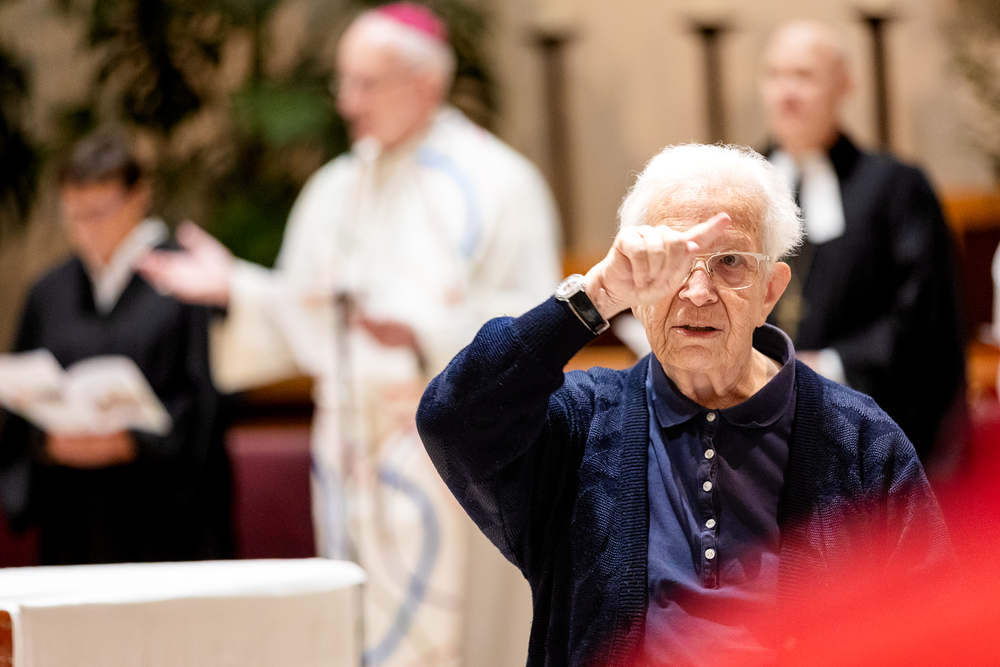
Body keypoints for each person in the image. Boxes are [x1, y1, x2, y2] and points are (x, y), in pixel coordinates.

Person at [416, 143, 952, 667]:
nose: (698, 291)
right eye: (672, 263)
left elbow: (936, 634)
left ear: (770, 291)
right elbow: (451, 419)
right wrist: (595, 297)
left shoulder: (860, 443)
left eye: (730, 262)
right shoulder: (582, 425)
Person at [139, 4, 560, 666]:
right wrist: (238, 290)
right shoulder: (336, 188)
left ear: (426, 84)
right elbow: (303, 316)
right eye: (344, 82)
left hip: (446, 457)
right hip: (351, 457)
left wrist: (422, 333)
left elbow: (538, 323)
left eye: (366, 84)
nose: (346, 102)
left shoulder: (500, 183)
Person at [0, 130, 232, 565]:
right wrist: (44, 444)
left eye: (100, 211)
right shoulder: (49, 292)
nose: (87, 228)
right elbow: (17, 424)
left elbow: (204, 403)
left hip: (162, 525)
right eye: (75, 213)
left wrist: (136, 443)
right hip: (74, 517)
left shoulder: (183, 283)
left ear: (138, 196)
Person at [760, 20, 965, 463]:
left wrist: (829, 367)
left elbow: (923, 320)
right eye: (775, 75)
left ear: (843, 85)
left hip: (863, 432)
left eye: (803, 76)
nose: (786, 93)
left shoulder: (895, 187)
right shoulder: (736, 188)